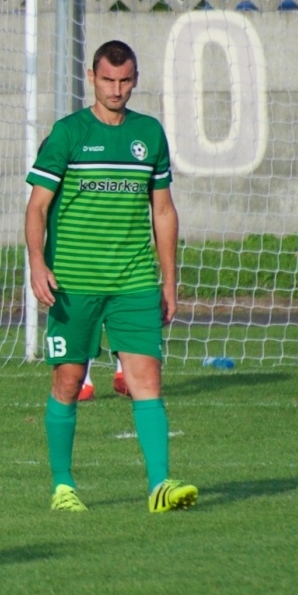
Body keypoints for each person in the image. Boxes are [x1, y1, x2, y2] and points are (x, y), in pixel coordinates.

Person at [24, 39, 196, 514]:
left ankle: (160, 485)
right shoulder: (67, 135)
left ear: (135, 79)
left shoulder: (150, 135)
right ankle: (63, 486)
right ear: (91, 77)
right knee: (68, 380)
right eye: (108, 80)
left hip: (134, 280)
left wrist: (168, 280)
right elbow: (37, 206)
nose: (117, 90)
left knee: (147, 379)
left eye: (125, 81)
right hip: (73, 283)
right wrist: (38, 264)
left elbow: (163, 211)